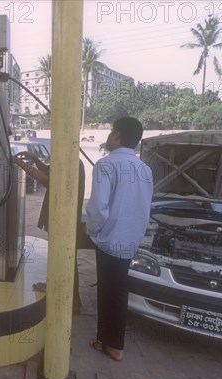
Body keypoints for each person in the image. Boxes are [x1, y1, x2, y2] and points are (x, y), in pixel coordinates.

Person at [84, 117, 153, 362]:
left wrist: (91, 230)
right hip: (130, 239)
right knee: (118, 291)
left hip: (110, 240)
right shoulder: (144, 169)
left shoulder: (106, 165)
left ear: (117, 136)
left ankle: (112, 344)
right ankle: (112, 342)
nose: (110, 135)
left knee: (108, 292)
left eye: (112, 131)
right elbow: (144, 207)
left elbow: (98, 208)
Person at [12, 150, 87, 313]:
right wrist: (35, 159)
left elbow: (46, 179)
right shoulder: (72, 160)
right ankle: (66, 292)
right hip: (64, 216)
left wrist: (19, 163)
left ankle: (70, 299)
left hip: (63, 217)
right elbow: (48, 171)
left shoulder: (69, 162)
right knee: (61, 255)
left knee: (64, 257)